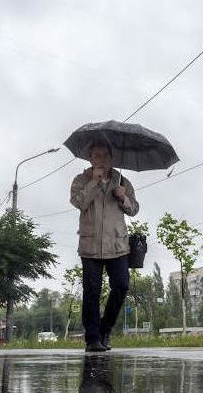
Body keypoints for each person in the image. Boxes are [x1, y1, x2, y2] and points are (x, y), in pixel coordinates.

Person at [70, 141, 139, 352]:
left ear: (111, 158)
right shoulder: (80, 180)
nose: (101, 159)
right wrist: (93, 182)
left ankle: (105, 329)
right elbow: (78, 203)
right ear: (90, 158)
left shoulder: (122, 180)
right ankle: (92, 339)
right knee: (91, 290)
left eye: (105, 156)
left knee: (121, 285)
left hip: (117, 244)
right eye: (96, 156)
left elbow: (134, 209)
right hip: (90, 244)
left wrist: (123, 197)